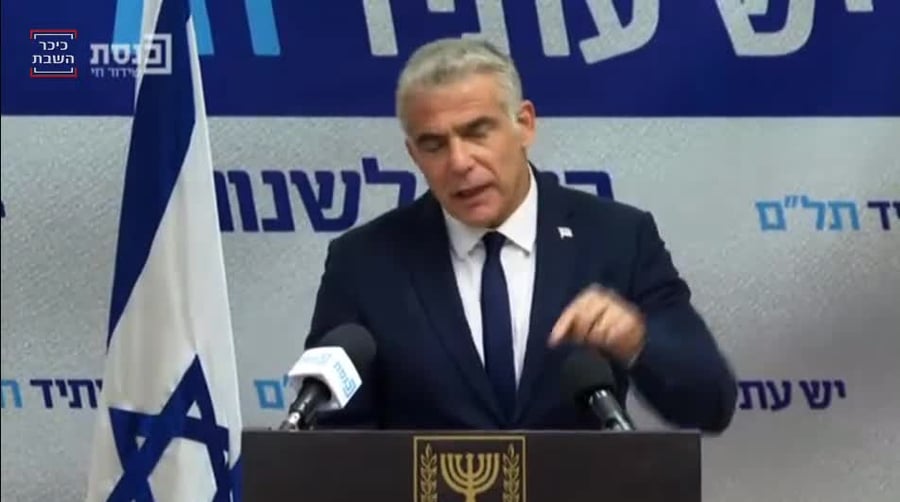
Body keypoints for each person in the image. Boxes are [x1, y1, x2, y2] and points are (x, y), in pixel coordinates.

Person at [305, 37, 737, 432]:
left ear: (525, 124)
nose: (459, 162)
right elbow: (333, 443)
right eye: (434, 145)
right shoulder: (364, 262)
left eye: (477, 132)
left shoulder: (618, 239)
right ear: (413, 154)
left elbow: (711, 403)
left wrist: (638, 342)